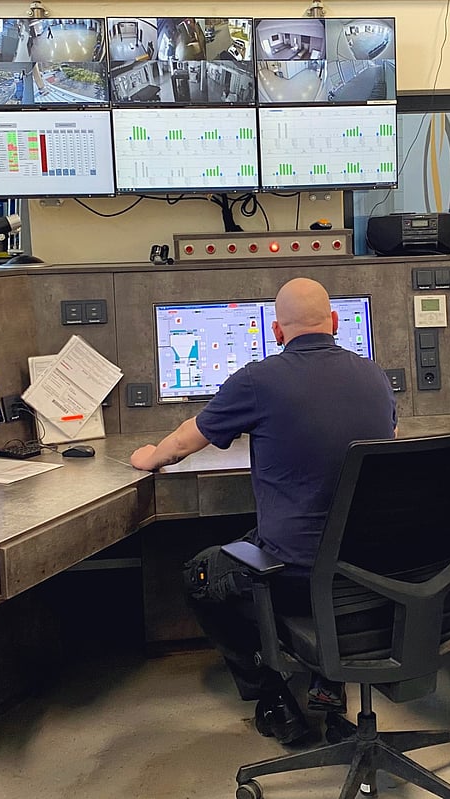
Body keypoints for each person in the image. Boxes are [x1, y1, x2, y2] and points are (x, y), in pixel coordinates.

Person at [130, 278, 397, 744]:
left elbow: (182, 444)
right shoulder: (375, 376)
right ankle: (326, 684)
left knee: (198, 575)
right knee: (289, 539)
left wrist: (147, 456)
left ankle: (272, 695)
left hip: (292, 576)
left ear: (275, 332)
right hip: (368, 573)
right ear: (334, 324)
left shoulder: (257, 380)